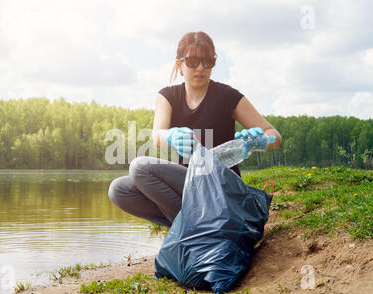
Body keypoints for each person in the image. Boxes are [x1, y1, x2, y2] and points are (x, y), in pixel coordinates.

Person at [108, 31, 281, 227]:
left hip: (221, 186)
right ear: (179, 65)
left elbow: (274, 134)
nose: (201, 67)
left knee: (140, 167)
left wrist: (262, 141)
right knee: (119, 189)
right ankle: (197, 229)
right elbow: (157, 135)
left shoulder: (227, 96)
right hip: (186, 185)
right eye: (192, 61)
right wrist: (171, 137)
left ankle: (192, 230)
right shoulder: (168, 96)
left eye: (208, 62)